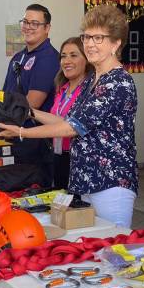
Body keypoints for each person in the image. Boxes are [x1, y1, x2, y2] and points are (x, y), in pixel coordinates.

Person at [0, 5, 138, 227]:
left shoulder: (117, 81)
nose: (90, 44)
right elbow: (65, 119)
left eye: (98, 38)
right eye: (87, 37)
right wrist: (29, 111)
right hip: (85, 182)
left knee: (112, 250)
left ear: (116, 43)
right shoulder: (92, 80)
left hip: (111, 184)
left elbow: (72, 127)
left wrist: (23, 131)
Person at [2, 4, 60, 186]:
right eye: (26, 22)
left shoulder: (48, 58)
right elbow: (4, 97)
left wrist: (4, 121)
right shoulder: (18, 57)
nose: (28, 27)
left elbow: (31, 103)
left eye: (35, 23)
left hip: (36, 143)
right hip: (15, 137)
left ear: (47, 28)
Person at [50, 37, 93, 189]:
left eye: (74, 55)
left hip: (78, 159)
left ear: (87, 59)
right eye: (63, 56)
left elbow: (70, 126)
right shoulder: (61, 88)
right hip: (58, 155)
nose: (66, 61)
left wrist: (23, 132)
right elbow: (55, 120)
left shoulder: (89, 90)